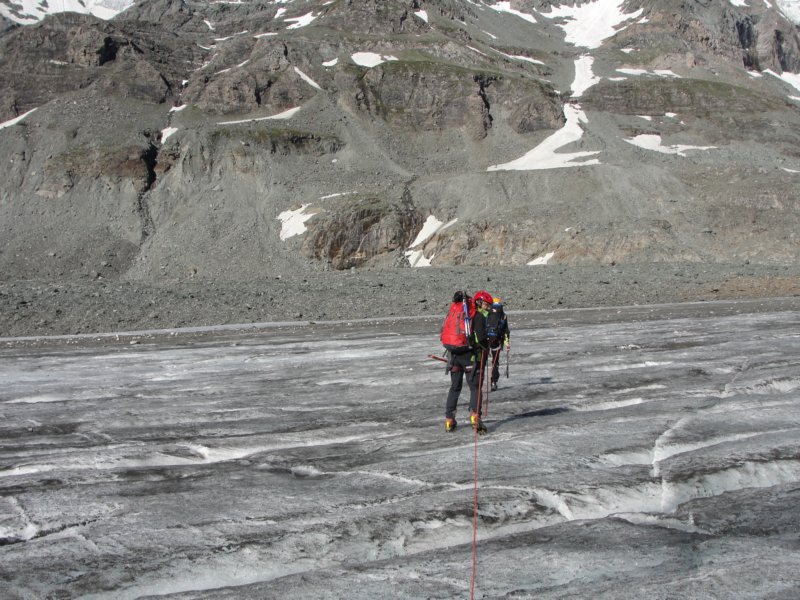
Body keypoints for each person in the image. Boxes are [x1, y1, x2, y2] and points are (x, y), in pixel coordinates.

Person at [442, 290, 492, 434]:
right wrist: (486, 347)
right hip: (469, 357)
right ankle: (475, 417)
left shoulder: (457, 313)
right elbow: (481, 338)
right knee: (475, 388)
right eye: (486, 305)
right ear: (479, 302)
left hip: (453, 355)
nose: (487, 307)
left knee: (455, 388)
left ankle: (449, 420)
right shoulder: (477, 316)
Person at [488, 297, 510, 391]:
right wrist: (507, 343)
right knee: (495, 362)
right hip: (497, 340)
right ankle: (493, 382)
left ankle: (477, 383)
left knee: (480, 362)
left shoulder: (487, 312)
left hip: (485, 340)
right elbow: (506, 330)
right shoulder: (503, 315)